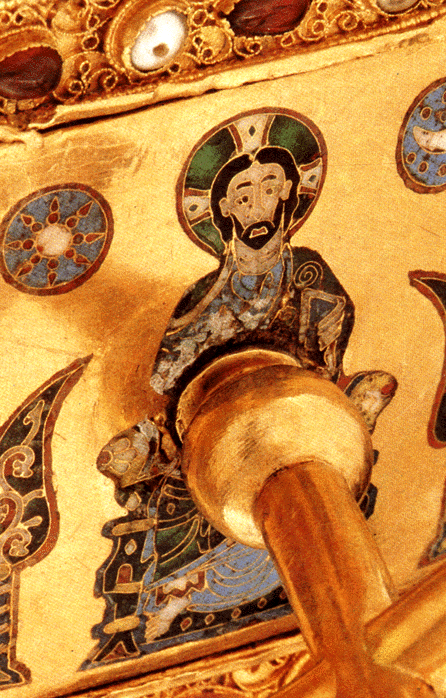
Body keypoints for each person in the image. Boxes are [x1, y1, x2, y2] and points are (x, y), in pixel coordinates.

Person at [83, 142, 396, 668]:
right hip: (201, 440)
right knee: (136, 473)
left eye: (270, 188)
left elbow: (330, 351)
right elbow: (164, 375)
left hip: (306, 420)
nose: (258, 206)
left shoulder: (311, 274)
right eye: (244, 195)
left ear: (290, 194)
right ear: (224, 208)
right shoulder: (204, 294)